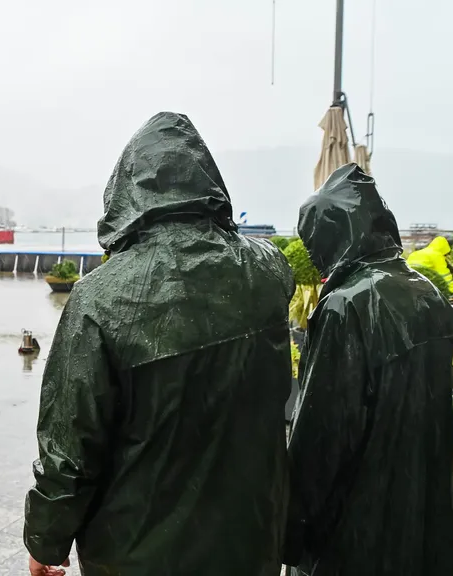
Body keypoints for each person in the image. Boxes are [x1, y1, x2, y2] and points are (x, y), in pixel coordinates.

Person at [23, 112, 296, 576]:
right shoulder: (269, 271)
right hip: (250, 541)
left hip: (136, 553)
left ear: (125, 193)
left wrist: (45, 541)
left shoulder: (98, 297)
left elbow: (70, 444)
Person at [284, 164, 453, 575]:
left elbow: (323, 433)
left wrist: (290, 528)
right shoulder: (425, 291)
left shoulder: (345, 303)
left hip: (354, 525)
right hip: (418, 507)